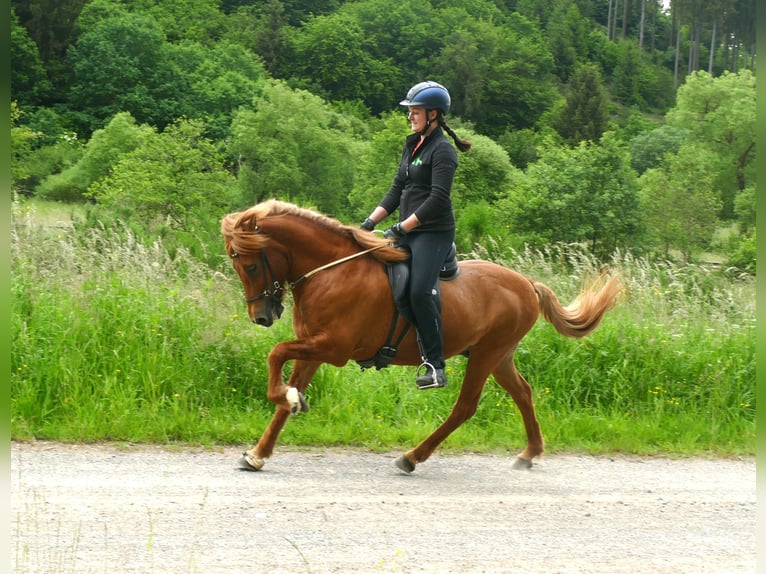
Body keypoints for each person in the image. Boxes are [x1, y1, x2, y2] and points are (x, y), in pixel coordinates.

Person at [360, 81, 471, 389]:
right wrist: (369, 223)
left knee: (420, 290)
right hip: (407, 228)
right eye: (409, 111)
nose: (410, 116)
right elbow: (397, 190)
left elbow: (438, 199)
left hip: (432, 233)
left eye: (415, 111)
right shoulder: (412, 145)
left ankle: (436, 366)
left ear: (433, 114)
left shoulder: (444, 151)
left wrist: (403, 227)